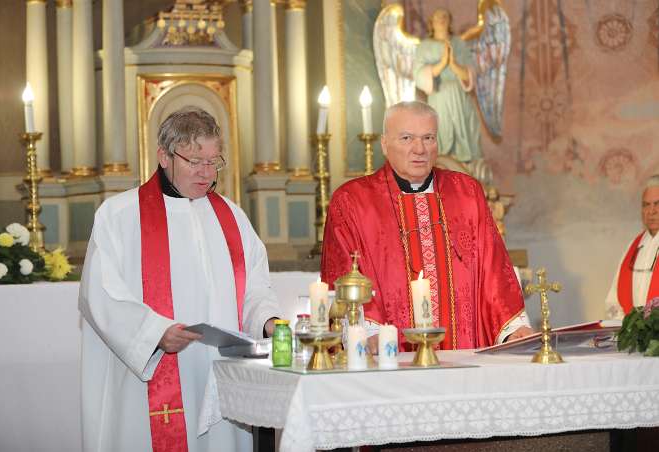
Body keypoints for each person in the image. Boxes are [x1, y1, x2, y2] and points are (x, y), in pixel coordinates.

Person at [79, 106, 281, 451]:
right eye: (194, 161)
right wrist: (155, 333)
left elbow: (254, 286)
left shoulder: (231, 216)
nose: (206, 173)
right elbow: (100, 294)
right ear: (163, 156)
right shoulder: (120, 215)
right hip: (150, 372)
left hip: (220, 376)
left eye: (213, 162)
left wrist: (268, 321)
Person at [321, 101, 531, 351]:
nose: (419, 149)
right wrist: (367, 333)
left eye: (428, 137)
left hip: (462, 355)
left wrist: (512, 329)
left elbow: (493, 268)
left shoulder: (466, 193)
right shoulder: (353, 201)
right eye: (407, 138)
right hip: (390, 358)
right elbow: (344, 273)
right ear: (384, 144)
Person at [413, 8, 481, 163]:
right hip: (439, 95)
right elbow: (418, 75)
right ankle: (443, 163)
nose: (441, 19)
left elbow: (470, 74)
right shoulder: (424, 46)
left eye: (445, 16)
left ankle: (464, 164)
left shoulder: (459, 44)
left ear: (450, 21)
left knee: (463, 135)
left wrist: (453, 63)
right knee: (441, 131)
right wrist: (442, 63)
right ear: (431, 23)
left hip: (459, 97)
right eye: (437, 16)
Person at [605, 175, 659, 319]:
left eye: (657, 203)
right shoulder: (633, 247)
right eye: (646, 205)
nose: (651, 211)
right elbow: (613, 300)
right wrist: (626, 327)